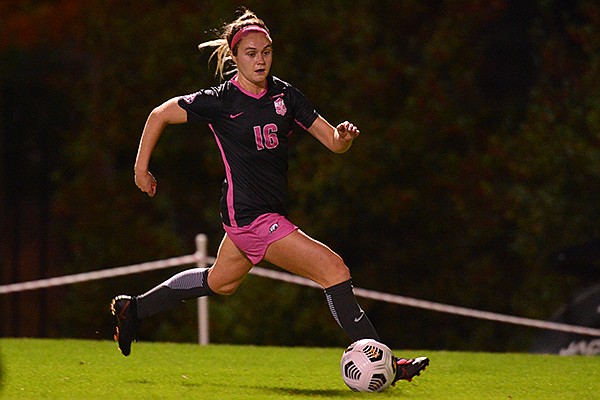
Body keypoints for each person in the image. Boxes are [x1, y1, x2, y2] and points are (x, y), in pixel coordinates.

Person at [110, 7, 428, 384]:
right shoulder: (221, 100)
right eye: (250, 53)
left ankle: (134, 310)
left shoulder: (285, 96)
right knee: (334, 270)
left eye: (266, 52)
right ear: (234, 56)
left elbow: (331, 141)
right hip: (249, 216)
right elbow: (159, 114)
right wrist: (139, 169)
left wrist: (343, 139)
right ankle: (387, 366)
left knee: (220, 282)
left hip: (264, 213)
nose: (260, 60)